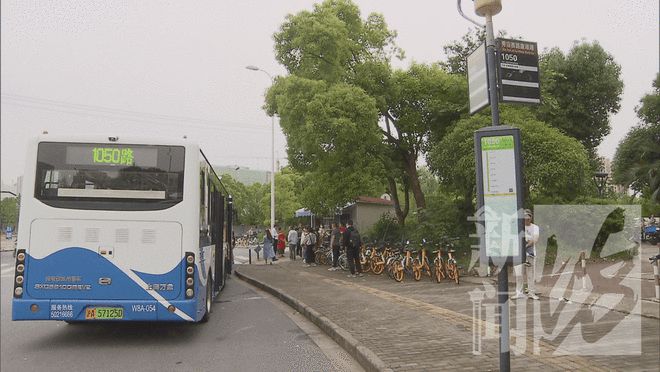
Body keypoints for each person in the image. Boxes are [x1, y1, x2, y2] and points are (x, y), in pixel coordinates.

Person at [513, 210, 540, 300]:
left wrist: (526, 245)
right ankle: (519, 293)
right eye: (524, 218)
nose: (526, 220)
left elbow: (534, 240)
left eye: (528, 218)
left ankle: (531, 293)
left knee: (530, 274)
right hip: (518, 254)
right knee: (519, 274)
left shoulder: (535, 227)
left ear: (531, 217)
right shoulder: (518, 227)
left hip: (530, 254)